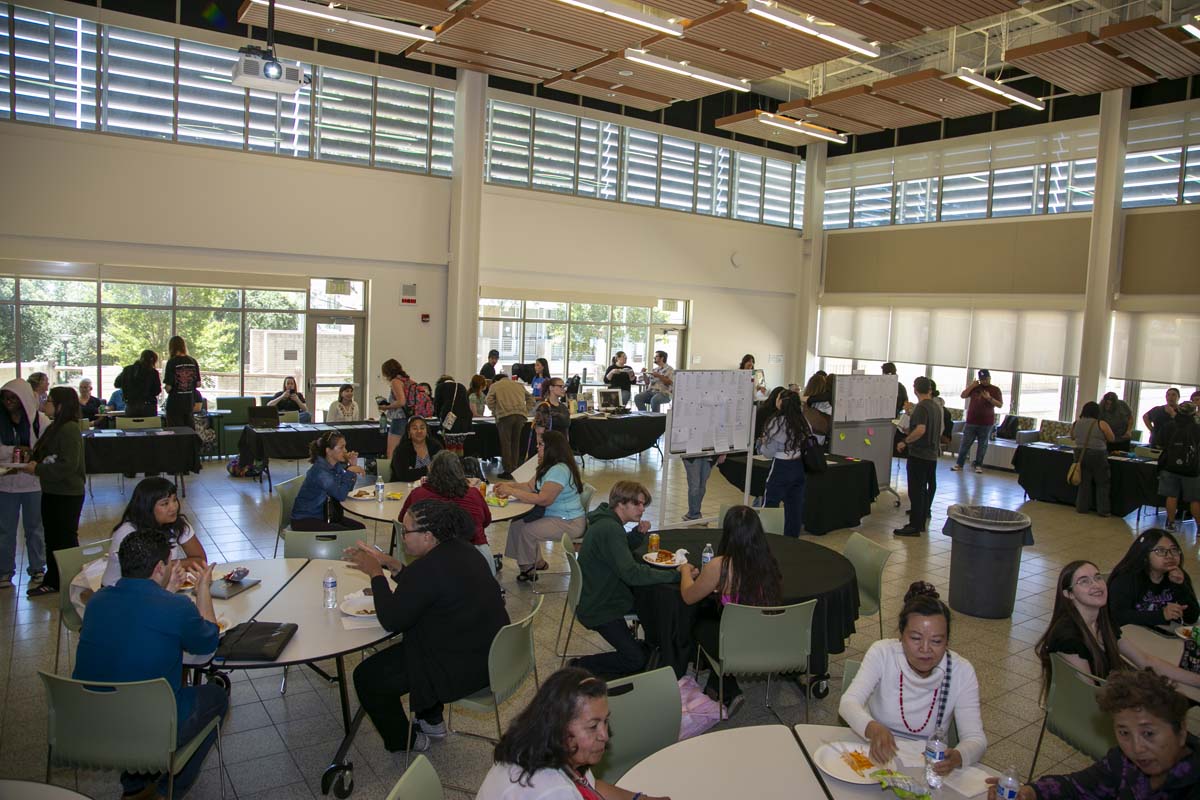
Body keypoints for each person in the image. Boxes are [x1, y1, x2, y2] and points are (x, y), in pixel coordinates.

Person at [73, 530, 225, 800]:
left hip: (90, 722)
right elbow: (207, 643)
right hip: (147, 725)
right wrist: (203, 589)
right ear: (159, 568)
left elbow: (135, 626)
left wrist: (165, 591)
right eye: (170, 562)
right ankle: (169, 789)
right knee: (216, 696)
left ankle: (136, 786)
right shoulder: (176, 607)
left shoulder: (97, 601)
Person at [348, 500, 509, 753]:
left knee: (368, 677)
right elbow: (428, 588)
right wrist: (393, 564)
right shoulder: (463, 551)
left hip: (463, 668)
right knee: (420, 634)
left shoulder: (428, 568)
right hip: (490, 653)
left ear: (428, 536)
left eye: (406, 531)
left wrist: (376, 574)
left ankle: (405, 741)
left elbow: (392, 620)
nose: (402, 536)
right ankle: (431, 720)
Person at [985, 668, 1200, 800]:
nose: (1137, 747)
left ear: (1180, 731)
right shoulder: (1123, 763)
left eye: (1149, 733)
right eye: (1124, 732)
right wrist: (1032, 792)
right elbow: (1077, 787)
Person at [839, 582, 987, 773]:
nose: (925, 649)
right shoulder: (883, 653)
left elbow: (976, 738)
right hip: (875, 753)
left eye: (936, 641)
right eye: (916, 638)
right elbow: (848, 703)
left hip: (926, 765)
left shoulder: (961, 671)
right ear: (901, 636)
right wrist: (872, 728)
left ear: (947, 642)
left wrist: (959, 756)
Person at [477, 667, 672, 800]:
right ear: (559, 727)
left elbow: (591, 786)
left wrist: (641, 799)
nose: (605, 735)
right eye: (593, 726)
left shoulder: (540, 746)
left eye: (605, 721)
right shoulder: (552, 791)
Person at [1033, 560, 1200, 691]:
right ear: (1069, 594)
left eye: (1098, 578)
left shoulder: (1102, 622)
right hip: (1091, 713)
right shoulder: (1068, 636)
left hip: (1109, 700)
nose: (1096, 585)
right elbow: (1088, 694)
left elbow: (1145, 660)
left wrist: (1196, 680)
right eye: (1084, 582)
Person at [681, 505, 782, 714]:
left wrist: (685, 571)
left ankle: (729, 690)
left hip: (735, 642)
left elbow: (688, 596)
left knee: (698, 620)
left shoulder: (721, 565)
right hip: (767, 635)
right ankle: (715, 686)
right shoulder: (768, 560)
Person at [573, 481, 679, 678]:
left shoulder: (607, 522)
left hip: (598, 594)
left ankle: (649, 647)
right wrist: (675, 574)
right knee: (635, 659)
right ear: (621, 504)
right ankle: (578, 667)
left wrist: (636, 536)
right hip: (600, 606)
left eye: (643, 505)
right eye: (637, 504)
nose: (642, 509)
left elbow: (615, 552)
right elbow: (631, 573)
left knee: (649, 601)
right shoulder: (610, 529)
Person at [19, 387, 85, 597]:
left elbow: (68, 465)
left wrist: (37, 469)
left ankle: (69, 580)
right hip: (52, 491)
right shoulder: (54, 426)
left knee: (64, 539)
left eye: (49, 401)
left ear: (61, 405)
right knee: (54, 538)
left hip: (67, 493)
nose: (45, 404)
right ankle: (55, 579)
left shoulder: (69, 428)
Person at [499, 431, 586, 582]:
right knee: (517, 525)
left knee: (527, 531)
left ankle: (530, 566)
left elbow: (544, 499)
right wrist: (509, 486)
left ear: (551, 448)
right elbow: (529, 486)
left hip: (569, 522)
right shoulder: (547, 466)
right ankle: (532, 563)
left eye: (541, 444)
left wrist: (512, 491)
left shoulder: (559, 470)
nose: (537, 447)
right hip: (556, 516)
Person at [399, 451, 494, 575]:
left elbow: (403, 519)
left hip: (435, 558)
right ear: (460, 471)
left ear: (431, 471)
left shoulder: (419, 494)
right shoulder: (474, 494)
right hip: (479, 556)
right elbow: (486, 521)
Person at [102, 477, 208, 588]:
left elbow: (200, 561)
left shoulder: (178, 524)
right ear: (147, 507)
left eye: (174, 500)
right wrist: (167, 567)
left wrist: (166, 566)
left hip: (159, 589)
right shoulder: (128, 533)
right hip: (121, 593)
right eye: (165, 504)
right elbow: (141, 577)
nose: (173, 507)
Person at [0, 379, 48, 590]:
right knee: (5, 530)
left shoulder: (41, 421)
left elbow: (47, 449)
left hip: (33, 484)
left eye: (13, 398)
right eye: (5, 398)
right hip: (5, 484)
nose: (9, 402)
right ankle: (4, 571)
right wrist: (14, 453)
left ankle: (37, 568)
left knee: (35, 528)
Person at [1107, 529, 1199, 629]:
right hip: (1132, 635)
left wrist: (1180, 586)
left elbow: (1192, 617)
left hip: (1165, 634)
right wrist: (1161, 615)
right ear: (1145, 555)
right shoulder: (1126, 578)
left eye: (1174, 550)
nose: (1170, 556)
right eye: (1160, 551)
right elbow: (1118, 616)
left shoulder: (1178, 575)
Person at [894, 376, 943, 537]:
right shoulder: (936, 407)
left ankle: (914, 526)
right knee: (923, 490)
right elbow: (921, 429)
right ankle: (920, 523)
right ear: (930, 389)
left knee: (916, 490)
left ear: (915, 390)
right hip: (931, 456)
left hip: (919, 454)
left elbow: (920, 430)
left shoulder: (922, 408)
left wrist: (905, 442)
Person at [290, 431, 367, 532]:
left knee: (359, 528)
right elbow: (341, 495)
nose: (345, 451)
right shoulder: (320, 472)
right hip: (306, 519)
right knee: (347, 533)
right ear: (328, 451)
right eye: (341, 447)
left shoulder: (335, 466)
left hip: (325, 515)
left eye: (345, 447)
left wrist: (351, 466)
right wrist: (350, 471)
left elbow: (347, 489)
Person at [759, 392, 809, 538]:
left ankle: (768, 538)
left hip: (780, 467)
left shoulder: (776, 422)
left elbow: (768, 453)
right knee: (794, 507)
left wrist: (763, 443)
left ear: (781, 402)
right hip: (799, 466)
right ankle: (792, 540)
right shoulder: (803, 421)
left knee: (770, 505)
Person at [1155, 401, 1200, 533]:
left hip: (1169, 466)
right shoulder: (1197, 428)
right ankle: (1199, 529)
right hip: (1191, 468)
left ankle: (1171, 524)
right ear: (1194, 413)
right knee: (1195, 499)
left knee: (1171, 496)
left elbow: (1159, 445)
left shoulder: (1169, 425)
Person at [1070, 401, 1115, 516]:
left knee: (1084, 482)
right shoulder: (1101, 423)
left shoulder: (1076, 423)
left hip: (1079, 454)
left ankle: (1081, 508)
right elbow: (1111, 438)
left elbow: (1072, 436)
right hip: (1098, 454)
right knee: (1102, 483)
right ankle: (1103, 511)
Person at [953, 369, 1002, 473]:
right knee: (965, 443)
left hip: (986, 423)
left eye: (986, 379)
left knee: (982, 445)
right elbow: (963, 395)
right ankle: (959, 464)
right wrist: (972, 386)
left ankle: (978, 465)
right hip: (971, 421)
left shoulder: (995, 389)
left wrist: (989, 398)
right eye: (982, 379)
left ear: (990, 378)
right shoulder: (975, 388)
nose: (984, 381)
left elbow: (1000, 405)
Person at [486, 374, 533, 479]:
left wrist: (495, 411)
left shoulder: (496, 385)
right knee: (516, 443)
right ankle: (514, 469)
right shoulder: (519, 385)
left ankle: (507, 471)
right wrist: (525, 410)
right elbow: (531, 399)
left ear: (496, 380)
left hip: (505, 416)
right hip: (520, 416)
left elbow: (488, 400)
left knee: (506, 443)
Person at [380, 359, 417, 458]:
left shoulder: (395, 381)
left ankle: (392, 471)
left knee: (392, 451)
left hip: (399, 418)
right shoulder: (408, 381)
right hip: (411, 417)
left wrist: (386, 407)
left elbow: (401, 401)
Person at [162, 336, 201, 428]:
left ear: (171, 347)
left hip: (175, 404)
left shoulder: (172, 362)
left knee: (176, 433)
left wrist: (167, 387)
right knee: (189, 432)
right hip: (189, 403)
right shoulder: (193, 361)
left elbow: (168, 387)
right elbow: (198, 384)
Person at [390, 417, 443, 483]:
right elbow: (404, 475)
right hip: (403, 488)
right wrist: (427, 469)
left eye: (422, 428)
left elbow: (442, 469)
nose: (419, 431)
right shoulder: (401, 450)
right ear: (409, 432)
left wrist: (414, 472)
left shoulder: (436, 447)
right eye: (415, 428)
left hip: (431, 487)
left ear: (427, 431)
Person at [530, 377, 570, 457]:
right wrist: (541, 449)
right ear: (551, 388)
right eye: (560, 386)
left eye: (564, 387)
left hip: (562, 447)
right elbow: (539, 432)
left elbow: (566, 430)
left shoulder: (563, 407)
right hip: (549, 448)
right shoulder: (544, 407)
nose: (563, 389)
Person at [114, 349, 161, 417]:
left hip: (131, 406)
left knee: (133, 426)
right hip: (149, 406)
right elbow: (157, 391)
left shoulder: (127, 370)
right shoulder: (153, 373)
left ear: (141, 358)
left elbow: (116, 384)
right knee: (150, 427)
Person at [681, 451, 725, 522]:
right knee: (695, 485)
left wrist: (723, 452)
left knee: (702, 486)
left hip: (709, 454)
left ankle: (693, 513)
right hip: (691, 454)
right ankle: (694, 515)